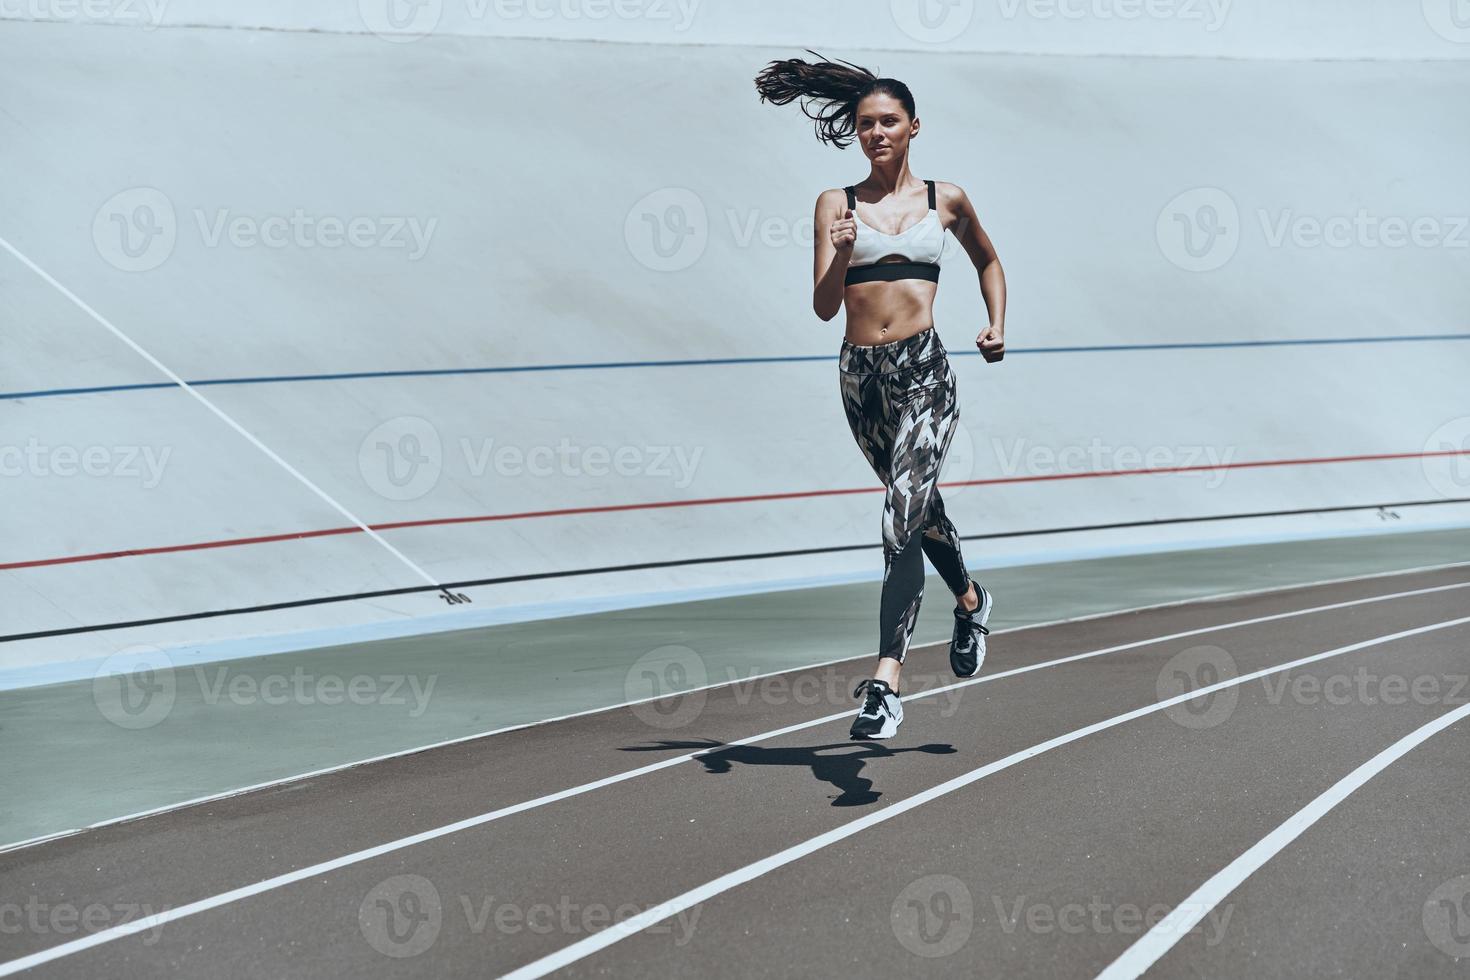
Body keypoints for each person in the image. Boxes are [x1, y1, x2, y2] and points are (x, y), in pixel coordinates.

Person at [754, 51, 1008, 740]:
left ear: (914, 126)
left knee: (899, 517)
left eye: (888, 121)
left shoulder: (943, 200)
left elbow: (988, 259)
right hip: (861, 380)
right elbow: (822, 307)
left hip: (926, 372)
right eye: (866, 124)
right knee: (921, 517)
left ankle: (885, 682)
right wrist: (839, 251)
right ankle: (972, 600)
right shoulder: (835, 205)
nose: (876, 133)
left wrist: (996, 325)